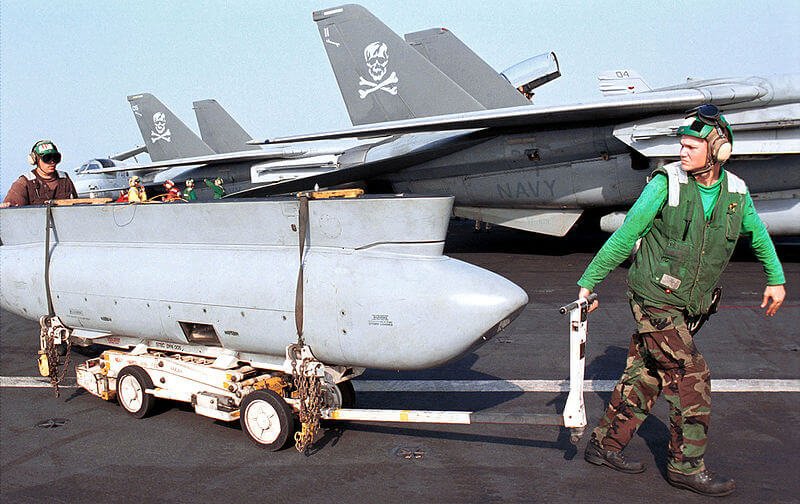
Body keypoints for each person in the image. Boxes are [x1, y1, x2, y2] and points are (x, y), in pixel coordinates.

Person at [577, 104, 785, 497]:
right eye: (682, 145)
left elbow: (758, 234)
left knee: (648, 375)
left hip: (689, 304)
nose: (682, 152)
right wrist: (589, 282)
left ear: (719, 151)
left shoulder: (736, 193)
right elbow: (625, 236)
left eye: (692, 146)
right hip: (654, 297)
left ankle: (605, 445)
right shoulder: (665, 183)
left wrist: (775, 279)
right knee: (692, 376)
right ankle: (685, 466)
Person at [2, 140, 77, 207]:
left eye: (55, 157)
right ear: (35, 160)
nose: (52, 162)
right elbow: (10, 212)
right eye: (47, 158)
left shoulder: (65, 180)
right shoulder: (24, 183)